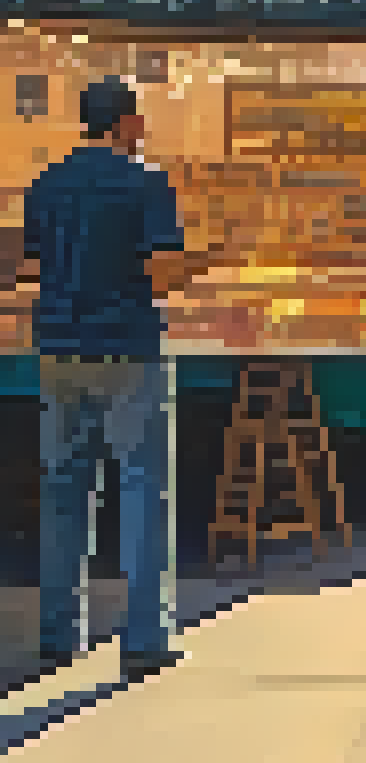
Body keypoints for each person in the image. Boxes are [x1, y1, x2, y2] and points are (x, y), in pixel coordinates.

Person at [13, 78, 225, 679]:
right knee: (140, 487)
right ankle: (145, 634)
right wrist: (204, 260)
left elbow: (33, 262)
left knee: (62, 489)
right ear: (125, 124)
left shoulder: (45, 184)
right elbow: (160, 274)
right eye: (139, 119)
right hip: (126, 347)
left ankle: (60, 631)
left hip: (56, 347)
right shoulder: (146, 183)